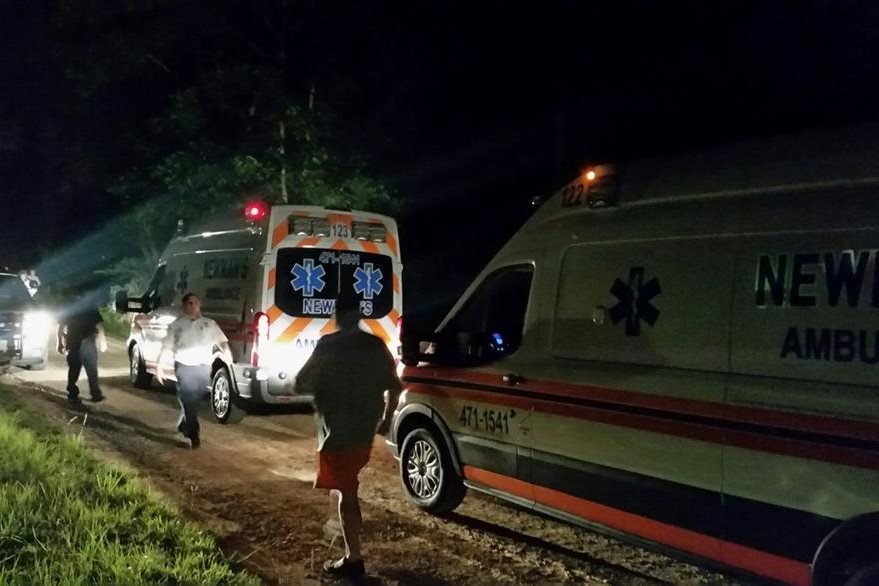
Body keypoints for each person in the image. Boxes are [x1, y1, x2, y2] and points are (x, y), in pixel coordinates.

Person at [295, 292, 402, 581]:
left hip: (337, 430)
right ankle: (352, 550)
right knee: (348, 485)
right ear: (360, 314)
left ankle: (353, 558)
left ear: (337, 315)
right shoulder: (376, 345)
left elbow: (299, 381)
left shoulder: (328, 345)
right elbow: (395, 387)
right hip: (364, 428)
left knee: (347, 492)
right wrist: (386, 418)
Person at [156, 292, 231, 449]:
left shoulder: (209, 323)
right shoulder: (177, 325)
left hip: (203, 366)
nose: (192, 305)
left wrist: (227, 354)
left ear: (199, 304)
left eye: (195, 302)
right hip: (184, 365)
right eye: (189, 303)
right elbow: (166, 346)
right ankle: (193, 434)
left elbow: (222, 341)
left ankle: (184, 423)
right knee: (188, 398)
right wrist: (159, 366)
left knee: (196, 399)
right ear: (184, 306)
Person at [56, 290, 107, 405]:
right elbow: (61, 327)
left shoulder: (89, 309)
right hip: (75, 342)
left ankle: (93, 393)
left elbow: (99, 325)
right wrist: (59, 342)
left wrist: (102, 340)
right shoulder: (73, 309)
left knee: (89, 370)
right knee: (77, 369)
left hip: (84, 341)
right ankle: (76, 393)